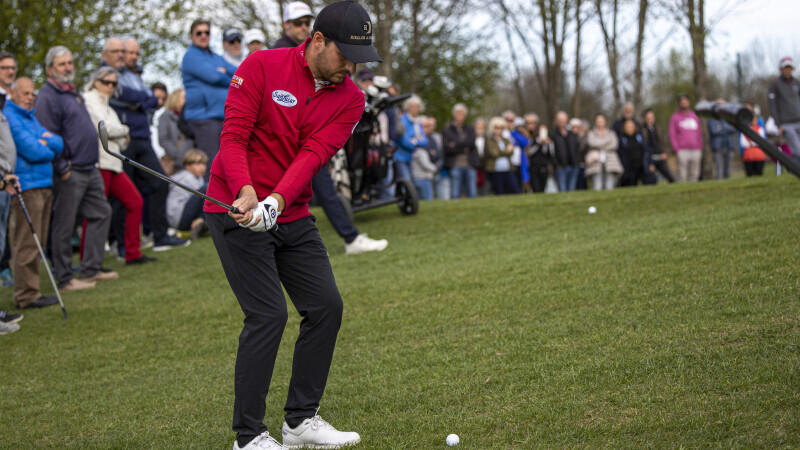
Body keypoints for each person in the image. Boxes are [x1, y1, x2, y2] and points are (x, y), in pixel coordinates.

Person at [204, 2, 381, 447]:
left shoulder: (352, 98)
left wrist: (277, 201)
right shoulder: (262, 64)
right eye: (346, 55)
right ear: (317, 41)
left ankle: (300, 421)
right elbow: (234, 135)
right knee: (267, 314)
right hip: (234, 208)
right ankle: (249, 436)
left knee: (325, 307)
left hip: (292, 212)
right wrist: (247, 191)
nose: (352, 67)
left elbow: (314, 155)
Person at [272, 4, 388, 255]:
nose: (303, 27)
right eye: (298, 22)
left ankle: (350, 237)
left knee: (323, 188)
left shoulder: (332, 70)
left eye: (307, 22)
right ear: (286, 26)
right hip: (283, 142)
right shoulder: (277, 56)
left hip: (309, 141)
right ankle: (349, 237)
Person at [34, 46, 117, 291]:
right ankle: (65, 278)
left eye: (70, 62)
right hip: (70, 170)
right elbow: (47, 135)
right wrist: (62, 167)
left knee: (102, 212)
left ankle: (91, 270)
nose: (68, 67)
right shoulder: (48, 97)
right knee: (64, 225)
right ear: (50, 69)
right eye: (62, 64)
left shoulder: (72, 94)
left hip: (90, 167)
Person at [116, 38, 188, 251]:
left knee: (160, 182)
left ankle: (159, 236)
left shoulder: (135, 77)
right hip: (124, 140)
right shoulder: (113, 75)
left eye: (136, 53)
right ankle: (122, 245)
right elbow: (125, 97)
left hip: (143, 139)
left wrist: (136, 101)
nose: (133, 57)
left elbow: (151, 100)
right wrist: (139, 100)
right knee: (124, 194)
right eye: (130, 53)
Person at [83, 67, 155, 266]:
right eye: (106, 82)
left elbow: (122, 141)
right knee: (96, 211)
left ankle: (132, 252)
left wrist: (121, 134)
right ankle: (86, 259)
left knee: (135, 202)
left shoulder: (110, 107)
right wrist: (124, 130)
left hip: (114, 163)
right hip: (99, 162)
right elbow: (103, 128)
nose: (110, 87)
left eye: (114, 84)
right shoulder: (88, 99)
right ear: (96, 81)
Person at [4, 77, 64, 309]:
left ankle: (32, 290)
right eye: (25, 94)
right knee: (27, 242)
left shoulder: (31, 117)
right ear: (14, 93)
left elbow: (58, 143)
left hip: (43, 183)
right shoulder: (11, 115)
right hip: (27, 186)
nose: (30, 98)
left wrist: (46, 143)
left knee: (38, 240)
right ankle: (26, 295)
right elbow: (33, 150)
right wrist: (45, 145)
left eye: (32, 94)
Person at [181, 19, 237, 171]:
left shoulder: (216, 57)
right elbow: (214, 77)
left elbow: (239, 72)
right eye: (199, 33)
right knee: (212, 166)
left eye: (207, 32)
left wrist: (226, 74)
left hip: (221, 117)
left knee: (227, 164)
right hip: (203, 119)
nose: (203, 36)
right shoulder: (191, 56)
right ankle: (208, 195)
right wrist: (227, 76)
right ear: (191, 36)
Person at [166, 150, 209, 239]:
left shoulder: (198, 178)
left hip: (183, 216)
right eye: (197, 164)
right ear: (187, 166)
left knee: (207, 191)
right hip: (180, 218)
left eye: (203, 164)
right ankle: (202, 221)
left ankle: (202, 222)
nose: (202, 167)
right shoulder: (186, 177)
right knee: (208, 187)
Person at [768, 57, 800, 163]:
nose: (787, 70)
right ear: (781, 69)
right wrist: (778, 124)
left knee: (797, 151)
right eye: (785, 67)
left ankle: (795, 171)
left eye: (789, 67)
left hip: (798, 120)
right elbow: (772, 105)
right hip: (786, 123)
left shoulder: (796, 83)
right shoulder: (775, 84)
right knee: (797, 149)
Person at [443, 103, 478, 199]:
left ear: (465, 115)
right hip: (455, 165)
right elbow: (447, 148)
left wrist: (455, 144)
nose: (460, 115)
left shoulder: (470, 128)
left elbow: (471, 143)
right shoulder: (447, 129)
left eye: (462, 113)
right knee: (455, 193)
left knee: (472, 192)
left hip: (470, 164)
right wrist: (463, 147)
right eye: (458, 113)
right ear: (454, 114)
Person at [157, 88, 194, 175]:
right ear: (175, 99)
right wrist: (176, 154)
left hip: (191, 162)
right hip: (176, 162)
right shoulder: (166, 116)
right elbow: (163, 139)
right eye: (184, 98)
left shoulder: (191, 118)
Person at [669, 94, 703, 182]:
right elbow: (672, 134)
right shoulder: (675, 117)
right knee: (681, 174)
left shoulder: (694, 116)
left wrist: (699, 146)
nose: (684, 103)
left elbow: (699, 132)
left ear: (689, 102)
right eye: (682, 101)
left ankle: (694, 192)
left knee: (695, 174)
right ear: (679, 103)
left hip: (696, 149)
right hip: (682, 150)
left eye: (686, 101)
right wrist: (676, 148)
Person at [585, 113, 622, 190]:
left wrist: (599, 144)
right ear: (595, 122)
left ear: (605, 122)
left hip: (611, 161)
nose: (600, 123)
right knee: (597, 186)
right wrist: (607, 142)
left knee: (609, 185)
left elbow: (614, 144)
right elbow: (592, 143)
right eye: (598, 121)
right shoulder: (591, 133)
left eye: (601, 121)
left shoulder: (611, 133)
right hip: (595, 162)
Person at [395, 95, 426, 184]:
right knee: (406, 181)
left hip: (412, 157)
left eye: (417, 106)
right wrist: (417, 141)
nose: (415, 109)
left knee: (411, 182)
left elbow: (424, 141)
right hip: (400, 157)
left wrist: (414, 141)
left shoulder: (417, 122)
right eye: (413, 106)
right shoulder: (402, 120)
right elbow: (404, 141)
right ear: (408, 107)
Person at [485, 116, 519, 195]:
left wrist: (503, 151)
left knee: (515, 190)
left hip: (508, 169)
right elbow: (494, 153)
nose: (499, 130)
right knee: (499, 192)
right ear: (492, 128)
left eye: (501, 128)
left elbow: (511, 152)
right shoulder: (489, 140)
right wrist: (506, 151)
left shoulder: (506, 140)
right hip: (495, 170)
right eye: (496, 127)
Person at [642, 108, 674, 183]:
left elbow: (662, 142)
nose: (651, 120)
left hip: (660, 156)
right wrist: (649, 161)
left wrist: (665, 152)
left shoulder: (657, 128)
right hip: (650, 158)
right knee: (652, 180)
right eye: (648, 118)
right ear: (645, 118)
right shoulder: (643, 130)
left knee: (670, 177)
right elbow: (645, 146)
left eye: (652, 117)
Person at [707, 98, 737, 179]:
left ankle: (729, 187)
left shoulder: (729, 116)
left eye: (722, 104)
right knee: (719, 169)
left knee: (728, 169)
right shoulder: (711, 118)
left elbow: (733, 128)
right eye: (718, 104)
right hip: (717, 146)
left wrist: (721, 128)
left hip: (729, 144)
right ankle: (719, 186)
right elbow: (714, 130)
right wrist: (726, 128)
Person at [618, 118, 653, 186]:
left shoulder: (639, 137)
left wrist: (650, 163)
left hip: (642, 166)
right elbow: (620, 155)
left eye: (631, 126)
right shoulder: (622, 140)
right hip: (629, 168)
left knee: (650, 181)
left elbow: (647, 150)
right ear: (624, 128)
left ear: (634, 127)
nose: (629, 128)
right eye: (627, 127)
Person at [551, 111, 580, 192]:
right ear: (557, 121)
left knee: (571, 190)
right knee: (562, 190)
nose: (562, 122)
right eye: (560, 120)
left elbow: (577, 149)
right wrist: (556, 164)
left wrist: (577, 162)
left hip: (574, 166)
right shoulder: (553, 135)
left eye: (563, 120)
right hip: (560, 167)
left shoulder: (572, 135)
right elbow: (551, 152)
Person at [411, 116, 437, 200]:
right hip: (422, 178)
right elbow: (425, 164)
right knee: (427, 200)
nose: (427, 129)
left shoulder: (431, 139)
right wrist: (435, 168)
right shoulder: (418, 148)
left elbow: (437, 154)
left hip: (423, 177)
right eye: (424, 126)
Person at [526, 117, 554, 193]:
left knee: (543, 187)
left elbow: (551, 154)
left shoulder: (549, 141)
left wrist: (548, 144)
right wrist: (539, 143)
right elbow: (530, 152)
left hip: (544, 167)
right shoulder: (534, 140)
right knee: (536, 187)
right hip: (534, 168)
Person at [740, 103, 767, 177]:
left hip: (759, 155)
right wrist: (752, 143)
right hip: (748, 155)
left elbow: (761, 140)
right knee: (750, 174)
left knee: (759, 174)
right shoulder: (745, 129)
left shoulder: (760, 129)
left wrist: (751, 143)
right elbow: (743, 143)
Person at [473, 118, 489, 196]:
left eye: (481, 128)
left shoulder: (487, 138)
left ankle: (484, 196)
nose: (480, 130)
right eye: (478, 128)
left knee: (485, 183)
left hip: (485, 164)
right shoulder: (471, 138)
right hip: (474, 164)